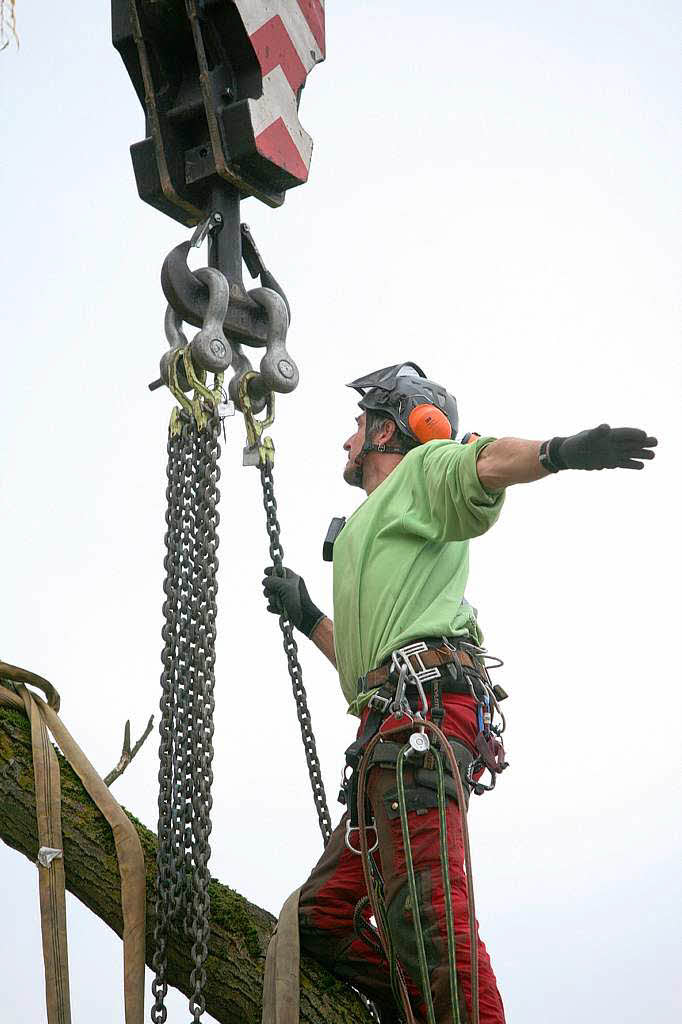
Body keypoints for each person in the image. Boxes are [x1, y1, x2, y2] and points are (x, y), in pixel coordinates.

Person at [262, 362, 657, 1024]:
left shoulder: (425, 472)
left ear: (391, 429)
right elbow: (367, 672)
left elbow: (484, 461)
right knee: (322, 921)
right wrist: (309, 616)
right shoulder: (370, 529)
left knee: (431, 918)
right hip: (387, 722)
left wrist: (560, 453)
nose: (347, 439)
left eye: (358, 425)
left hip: (422, 721)